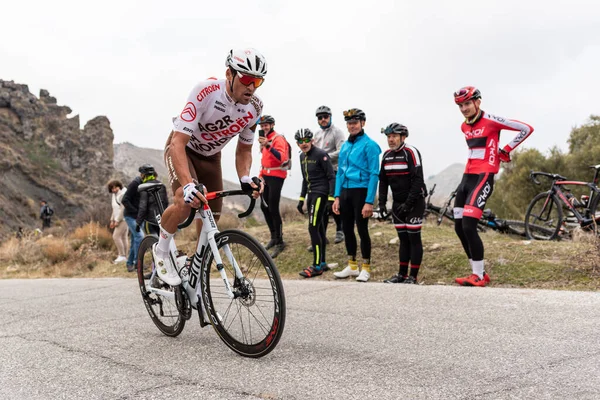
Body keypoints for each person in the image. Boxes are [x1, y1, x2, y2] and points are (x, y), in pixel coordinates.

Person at [154, 48, 266, 286]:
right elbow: (178, 142)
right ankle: (162, 250)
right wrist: (187, 185)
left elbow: (244, 149)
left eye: (258, 81)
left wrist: (245, 178)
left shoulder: (254, 108)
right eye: (246, 79)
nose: (252, 87)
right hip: (183, 150)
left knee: (211, 217)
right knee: (185, 201)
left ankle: (197, 267)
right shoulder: (205, 92)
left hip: (211, 157)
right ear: (229, 74)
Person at [453, 86, 534, 286]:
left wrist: (505, 149)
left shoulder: (491, 120)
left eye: (467, 104)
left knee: (469, 225)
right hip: (467, 177)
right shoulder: (464, 126)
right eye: (460, 105)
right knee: (458, 226)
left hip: (484, 176)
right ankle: (477, 272)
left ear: (478, 102)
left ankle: (479, 276)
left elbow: (526, 129)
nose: (464, 109)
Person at [332, 108, 381, 282]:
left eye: (355, 123)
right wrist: (337, 196)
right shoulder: (345, 146)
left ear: (363, 123)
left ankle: (366, 267)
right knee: (346, 229)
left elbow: (374, 174)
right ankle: (352, 266)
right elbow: (339, 173)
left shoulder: (370, 145)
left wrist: (369, 201)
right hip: (345, 191)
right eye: (349, 123)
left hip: (361, 191)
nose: (352, 126)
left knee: (362, 229)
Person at [379, 123, 427, 284]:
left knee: (414, 239)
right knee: (403, 239)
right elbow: (383, 181)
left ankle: (413, 276)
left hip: (414, 203)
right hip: (398, 203)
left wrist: (408, 204)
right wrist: (382, 203)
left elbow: (418, 180)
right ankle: (402, 274)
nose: (391, 140)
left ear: (403, 137)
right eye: (388, 137)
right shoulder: (386, 156)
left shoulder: (410, 152)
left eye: (394, 136)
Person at [295, 128, 335, 278]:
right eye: (300, 141)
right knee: (319, 229)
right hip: (311, 194)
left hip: (321, 194)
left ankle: (317, 266)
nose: (304, 143)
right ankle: (322, 263)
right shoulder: (301, 157)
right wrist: (301, 199)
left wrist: (331, 198)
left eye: (306, 140)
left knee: (313, 228)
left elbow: (331, 176)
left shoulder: (321, 155)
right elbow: (305, 180)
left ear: (312, 140)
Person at [258, 114, 289, 258]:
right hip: (265, 175)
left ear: (272, 125)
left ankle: (280, 241)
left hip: (277, 176)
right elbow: (264, 160)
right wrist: (260, 175)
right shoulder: (264, 140)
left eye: (266, 125)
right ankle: (273, 236)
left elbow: (282, 158)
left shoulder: (278, 139)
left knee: (273, 207)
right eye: (262, 125)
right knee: (264, 206)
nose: (264, 127)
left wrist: (268, 146)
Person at [313, 105, 346, 244]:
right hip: (321, 173)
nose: (323, 120)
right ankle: (322, 236)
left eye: (325, 117)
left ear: (330, 117)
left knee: (333, 201)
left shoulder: (337, 132)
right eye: (320, 118)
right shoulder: (317, 134)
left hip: (335, 171)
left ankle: (340, 229)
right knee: (322, 204)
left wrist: (324, 157)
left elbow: (342, 151)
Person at [121, 167, 146, 273]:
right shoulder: (134, 184)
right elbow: (124, 200)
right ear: (142, 175)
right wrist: (135, 212)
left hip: (140, 217)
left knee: (135, 240)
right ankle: (138, 263)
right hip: (131, 216)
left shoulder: (146, 185)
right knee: (140, 236)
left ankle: (129, 263)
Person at [135, 166, 169, 237]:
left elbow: (143, 206)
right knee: (162, 241)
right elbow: (165, 203)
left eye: (141, 174)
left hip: (150, 221)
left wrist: (138, 223)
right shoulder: (161, 185)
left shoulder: (145, 187)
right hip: (162, 219)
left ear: (144, 175)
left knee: (152, 242)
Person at [107, 180, 128, 264]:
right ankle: (124, 257)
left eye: (115, 187)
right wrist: (112, 220)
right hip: (118, 219)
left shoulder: (122, 194)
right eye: (112, 188)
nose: (114, 189)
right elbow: (114, 208)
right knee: (123, 237)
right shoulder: (114, 195)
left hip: (123, 219)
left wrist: (117, 220)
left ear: (119, 186)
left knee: (116, 236)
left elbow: (123, 209)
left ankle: (122, 255)